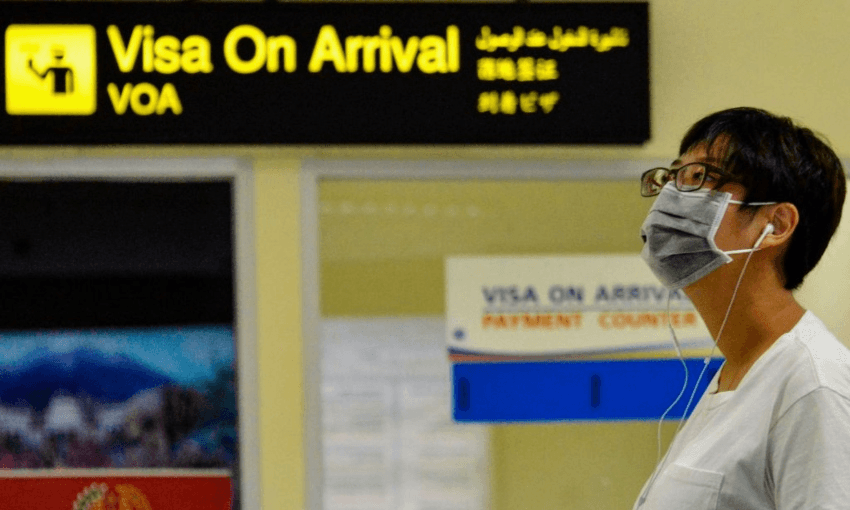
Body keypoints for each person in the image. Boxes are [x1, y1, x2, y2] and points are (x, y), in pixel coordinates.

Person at [634, 107, 849, 509]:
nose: (669, 196)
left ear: (776, 225)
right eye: (672, 177)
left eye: (698, 177)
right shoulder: (736, 373)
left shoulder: (814, 385)